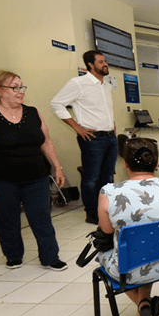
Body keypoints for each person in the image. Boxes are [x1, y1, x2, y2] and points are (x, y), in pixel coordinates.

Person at [0, 70, 67, 270]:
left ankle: (50, 257)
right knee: (7, 220)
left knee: (42, 219)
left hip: (36, 177)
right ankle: (13, 255)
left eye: (21, 87)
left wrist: (58, 167)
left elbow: (46, 142)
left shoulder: (32, 112)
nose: (20, 91)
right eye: (14, 87)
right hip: (1, 179)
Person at [96, 137, 159, 316]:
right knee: (149, 248)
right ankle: (144, 301)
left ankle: (142, 302)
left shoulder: (109, 191)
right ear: (156, 162)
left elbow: (107, 231)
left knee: (108, 253)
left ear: (125, 164)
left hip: (127, 269)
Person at [50, 50, 117, 225]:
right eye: (101, 61)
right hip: (93, 138)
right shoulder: (79, 83)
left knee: (108, 177)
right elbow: (56, 103)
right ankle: (92, 214)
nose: (105, 64)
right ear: (91, 65)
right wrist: (76, 126)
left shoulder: (106, 84)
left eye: (105, 61)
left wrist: (113, 124)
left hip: (110, 137)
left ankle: (107, 210)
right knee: (91, 178)